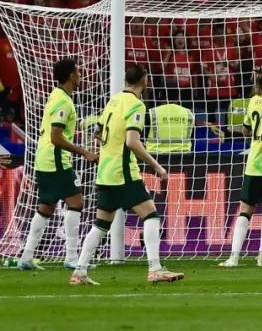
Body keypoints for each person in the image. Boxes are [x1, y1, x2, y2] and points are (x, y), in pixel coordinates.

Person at [69, 65, 184, 285]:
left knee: (101, 224)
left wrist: (107, 149)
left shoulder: (114, 101)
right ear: (144, 80)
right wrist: (156, 166)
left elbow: (97, 133)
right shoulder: (136, 104)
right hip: (122, 172)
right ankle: (155, 269)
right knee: (151, 215)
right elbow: (132, 142)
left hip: (105, 172)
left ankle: (79, 272)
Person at [19, 58, 98, 271]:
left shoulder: (56, 95)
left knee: (46, 206)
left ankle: (26, 257)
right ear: (71, 76)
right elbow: (56, 137)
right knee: (76, 203)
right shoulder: (64, 101)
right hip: (55, 160)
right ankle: (72, 257)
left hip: (43, 158)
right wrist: (85, 152)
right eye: (78, 72)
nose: (80, 75)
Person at [219, 64, 262, 268]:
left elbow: (246, 130)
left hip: (255, 162)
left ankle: (234, 257)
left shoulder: (254, 101)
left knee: (245, 208)